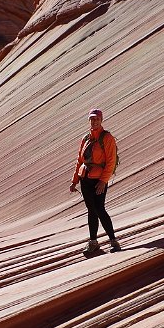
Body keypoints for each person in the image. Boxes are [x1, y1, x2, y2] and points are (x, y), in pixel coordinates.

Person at [70, 108, 120, 255]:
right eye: (92, 119)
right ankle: (93, 242)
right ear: (89, 121)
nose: (94, 121)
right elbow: (79, 160)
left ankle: (113, 241)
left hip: (99, 180)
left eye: (97, 119)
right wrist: (74, 181)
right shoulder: (85, 138)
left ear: (101, 120)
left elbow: (110, 162)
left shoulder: (107, 138)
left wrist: (103, 181)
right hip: (85, 179)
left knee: (100, 209)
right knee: (91, 210)